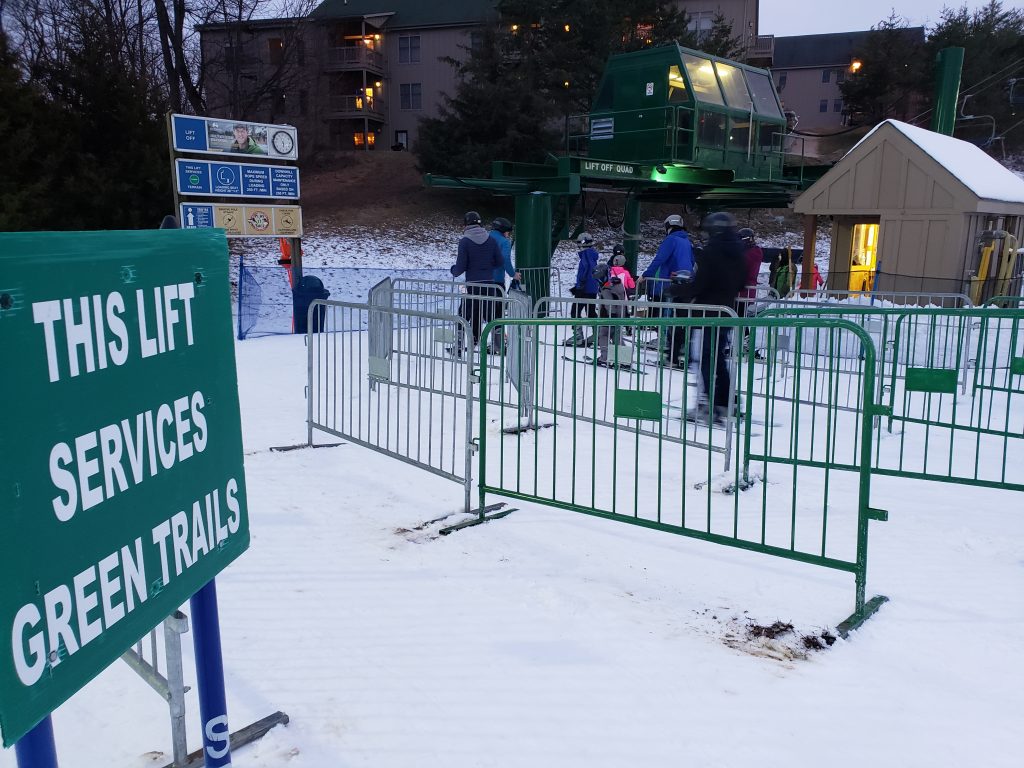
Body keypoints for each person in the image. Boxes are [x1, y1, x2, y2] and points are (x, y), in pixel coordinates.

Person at [668, 211, 747, 425]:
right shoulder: (738, 252)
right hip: (726, 311)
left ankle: (707, 403)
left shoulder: (712, 252)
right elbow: (741, 282)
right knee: (717, 358)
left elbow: (700, 284)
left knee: (705, 358)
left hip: (707, 312)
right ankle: (727, 401)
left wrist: (676, 290)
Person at [450, 211, 503, 356]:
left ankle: (459, 346)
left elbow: (460, 267)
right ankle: (498, 346)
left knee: (464, 314)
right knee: (491, 315)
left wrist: (453, 270)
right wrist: (486, 267)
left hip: (472, 285)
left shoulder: (465, 242)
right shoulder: (491, 240)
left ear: (466, 224)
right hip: (489, 285)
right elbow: (499, 262)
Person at [639, 214, 693, 309]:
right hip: (684, 284)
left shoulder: (671, 239)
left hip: (668, 284)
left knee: (663, 311)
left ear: (669, 226)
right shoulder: (687, 242)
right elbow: (692, 261)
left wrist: (645, 275)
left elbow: (660, 259)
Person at [488, 217, 521, 352]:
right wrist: (513, 274)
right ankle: (498, 344)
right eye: (508, 232)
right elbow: (505, 259)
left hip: (482, 280)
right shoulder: (504, 242)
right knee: (498, 313)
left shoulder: (485, 237)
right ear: (503, 230)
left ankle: (477, 340)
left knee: (485, 311)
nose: (508, 234)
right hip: (497, 280)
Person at [565, 232, 600, 346]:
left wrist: (580, 284)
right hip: (592, 288)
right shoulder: (592, 254)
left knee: (575, 311)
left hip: (584, 289)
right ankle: (597, 334)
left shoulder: (586, 255)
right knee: (590, 311)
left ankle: (578, 336)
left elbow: (586, 268)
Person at [593, 261, 629, 366]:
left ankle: (605, 357)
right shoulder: (617, 284)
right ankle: (624, 359)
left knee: (603, 336)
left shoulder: (606, 289)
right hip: (619, 315)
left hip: (608, 317)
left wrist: (611, 316)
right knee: (617, 337)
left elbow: (609, 304)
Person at [738, 228, 764, 316]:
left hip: (743, 291)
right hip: (747, 290)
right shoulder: (754, 251)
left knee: (739, 317)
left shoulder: (751, 253)